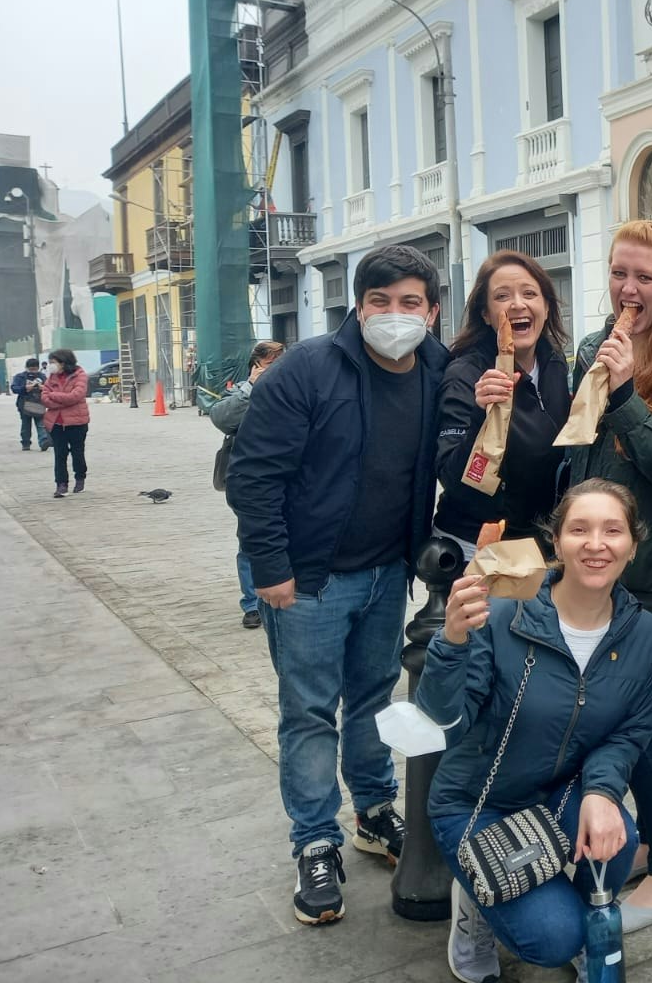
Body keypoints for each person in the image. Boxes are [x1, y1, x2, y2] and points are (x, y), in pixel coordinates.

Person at [225, 245, 449, 925]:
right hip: (312, 581)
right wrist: (272, 569)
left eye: (410, 302)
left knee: (377, 699)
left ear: (432, 312)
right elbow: (253, 475)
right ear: (358, 306)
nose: (394, 314)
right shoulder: (307, 369)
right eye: (379, 301)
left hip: (387, 573)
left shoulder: (438, 370)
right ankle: (315, 840)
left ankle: (374, 810)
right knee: (310, 711)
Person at [420, 479, 652, 981]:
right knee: (553, 938)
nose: (596, 544)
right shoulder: (504, 611)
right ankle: (477, 903)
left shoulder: (643, 634)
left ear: (633, 544)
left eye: (612, 531)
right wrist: (450, 641)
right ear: (557, 541)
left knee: (616, 841)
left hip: (557, 791)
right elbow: (444, 723)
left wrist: (601, 791)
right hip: (475, 801)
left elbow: (630, 731)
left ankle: (560, 908)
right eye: (580, 529)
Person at [562, 220, 652, 932]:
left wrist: (624, 395)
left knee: (631, 714)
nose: (627, 288)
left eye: (643, 276)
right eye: (619, 272)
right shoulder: (594, 346)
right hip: (595, 567)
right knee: (622, 711)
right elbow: (581, 456)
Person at [434, 251, 570, 558]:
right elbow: (454, 481)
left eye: (530, 293)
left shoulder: (554, 364)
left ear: (546, 307)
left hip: (541, 544)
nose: (518, 305)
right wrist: (481, 415)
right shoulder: (467, 376)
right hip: (481, 546)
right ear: (485, 313)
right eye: (502, 296)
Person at [211, 340, 286, 630]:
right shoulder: (243, 392)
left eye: (280, 362)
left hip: (290, 476)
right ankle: (252, 603)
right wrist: (253, 387)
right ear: (255, 367)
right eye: (270, 364)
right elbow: (221, 417)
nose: (276, 369)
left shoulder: (295, 387)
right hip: (250, 481)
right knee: (252, 539)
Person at [41, 349, 90, 498]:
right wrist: (63, 400)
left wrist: (55, 396)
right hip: (56, 423)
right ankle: (61, 484)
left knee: (77, 452)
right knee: (60, 454)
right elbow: (44, 397)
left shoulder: (79, 375)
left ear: (63, 362)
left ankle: (80, 477)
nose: (51, 366)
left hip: (77, 422)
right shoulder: (51, 378)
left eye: (53, 362)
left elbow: (76, 396)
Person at [12, 358, 51, 452]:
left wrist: (43, 388)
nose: (33, 371)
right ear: (26, 368)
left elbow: (50, 388)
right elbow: (14, 388)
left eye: (35, 369)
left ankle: (43, 442)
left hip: (38, 403)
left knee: (41, 424)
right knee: (26, 425)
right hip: (24, 404)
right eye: (31, 369)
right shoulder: (20, 377)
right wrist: (24, 388)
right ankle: (26, 443)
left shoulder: (42, 376)